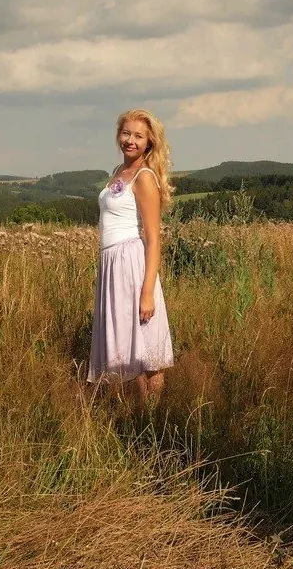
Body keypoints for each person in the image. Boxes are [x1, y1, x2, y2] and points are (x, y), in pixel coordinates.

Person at [88, 108, 175, 408]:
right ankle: (134, 413)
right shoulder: (118, 171)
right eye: (126, 133)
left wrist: (147, 291)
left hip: (131, 265)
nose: (130, 140)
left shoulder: (144, 177)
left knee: (145, 346)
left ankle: (150, 416)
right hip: (112, 265)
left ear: (149, 142)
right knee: (127, 343)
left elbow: (153, 239)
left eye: (139, 136)